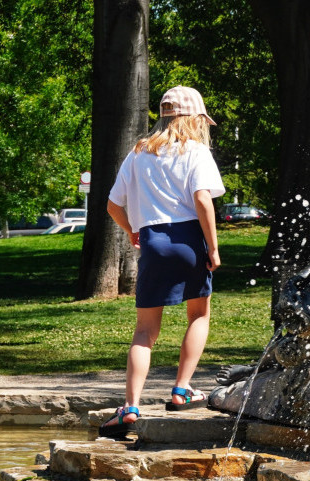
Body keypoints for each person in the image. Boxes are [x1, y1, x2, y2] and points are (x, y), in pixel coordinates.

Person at [99, 86, 225, 436]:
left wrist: (132, 231)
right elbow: (202, 199)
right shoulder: (196, 151)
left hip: (153, 241)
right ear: (194, 118)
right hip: (189, 240)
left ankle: (131, 406)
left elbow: (112, 205)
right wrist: (213, 248)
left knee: (145, 331)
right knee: (198, 314)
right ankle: (182, 390)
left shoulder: (138, 152)